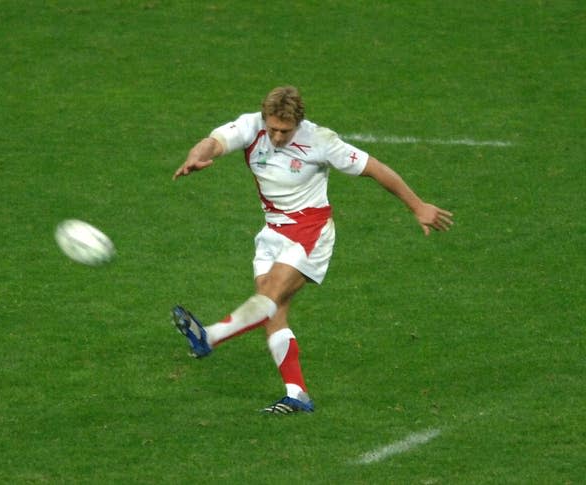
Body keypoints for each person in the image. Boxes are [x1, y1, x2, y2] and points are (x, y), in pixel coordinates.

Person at [171, 86, 453, 415]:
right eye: (272, 128)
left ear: (298, 123)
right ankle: (297, 395)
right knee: (272, 313)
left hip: (310, 231)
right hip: (272, 232)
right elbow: (213, 142)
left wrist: (418, 206)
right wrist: (197, 155)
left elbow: (376, 169)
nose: (276, 136)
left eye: (285, 131)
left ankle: (210, 337)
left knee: (270, 297)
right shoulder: (251, 126)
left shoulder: (320, 140)